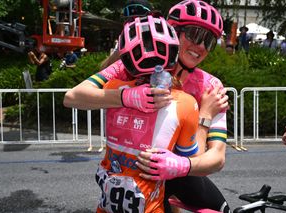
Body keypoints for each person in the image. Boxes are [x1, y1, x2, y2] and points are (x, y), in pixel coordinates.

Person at [63, 1, 230, 212]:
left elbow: (216, 158)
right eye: (195, 35)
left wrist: (203, 118)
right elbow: (72, 97)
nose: (202, 47)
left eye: (210, 41)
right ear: (172, 31)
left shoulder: (210, 87)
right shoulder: (135, 62)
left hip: (178, 173)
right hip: (132, 173)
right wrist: (126, 96)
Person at [95, 15, 198, 213]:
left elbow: (77, 93)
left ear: (125, 58)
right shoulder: (185, 103)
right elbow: (193, 162)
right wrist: (206, 117)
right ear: (173, 54)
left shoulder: (111, 89)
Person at [99, 0, 153, 70]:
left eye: (139, 19)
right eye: (131, 20)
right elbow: (104, 69)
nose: (136, 23)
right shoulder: (124, 39)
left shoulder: (160, 35)